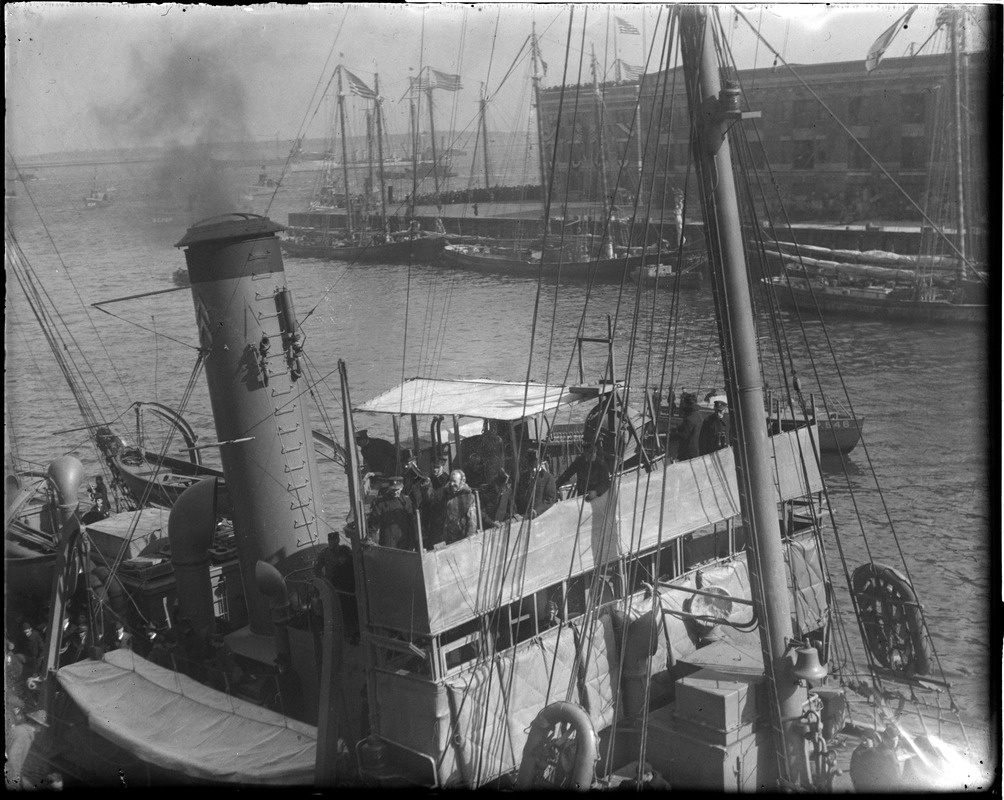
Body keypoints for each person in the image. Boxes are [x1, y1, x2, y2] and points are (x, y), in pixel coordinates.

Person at [428, 470, 479, 547]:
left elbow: (472, 523)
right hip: (444, 540)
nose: (452, 484)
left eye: (454, 481)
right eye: (450, 481)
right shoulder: (445, 493)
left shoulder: (469, 498)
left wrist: (468, 542)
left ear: (462, 481)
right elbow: (431, 498)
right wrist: (426, 485)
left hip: (460, 541)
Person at [366, 477, 416, 550]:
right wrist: (371, 539)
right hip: (388, 541)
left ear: (402, 487)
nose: (395, 492)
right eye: (393, 489)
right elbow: (373, 522)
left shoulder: (407, 501)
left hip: (404, 540)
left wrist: (412, 542)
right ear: (389, 488)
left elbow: (411, 524)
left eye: (397, 490)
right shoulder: (381, 502)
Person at [516, 450, 557, 519]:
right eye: (530, 463)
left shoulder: (548, 478)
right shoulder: (523, 477)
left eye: (534, 462)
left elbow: (549, 500)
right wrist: (515, 513)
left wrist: (536, 511)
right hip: (523, 516)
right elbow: (518, 496)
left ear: (539, 462)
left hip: (539, 517)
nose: (532, 466)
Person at [675, 393, 704, 461]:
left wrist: (673, 434)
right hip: (697, 450)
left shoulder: (689, 419)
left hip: (688, 452)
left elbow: (684, 436)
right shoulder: (699, 415)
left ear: (687, 404)